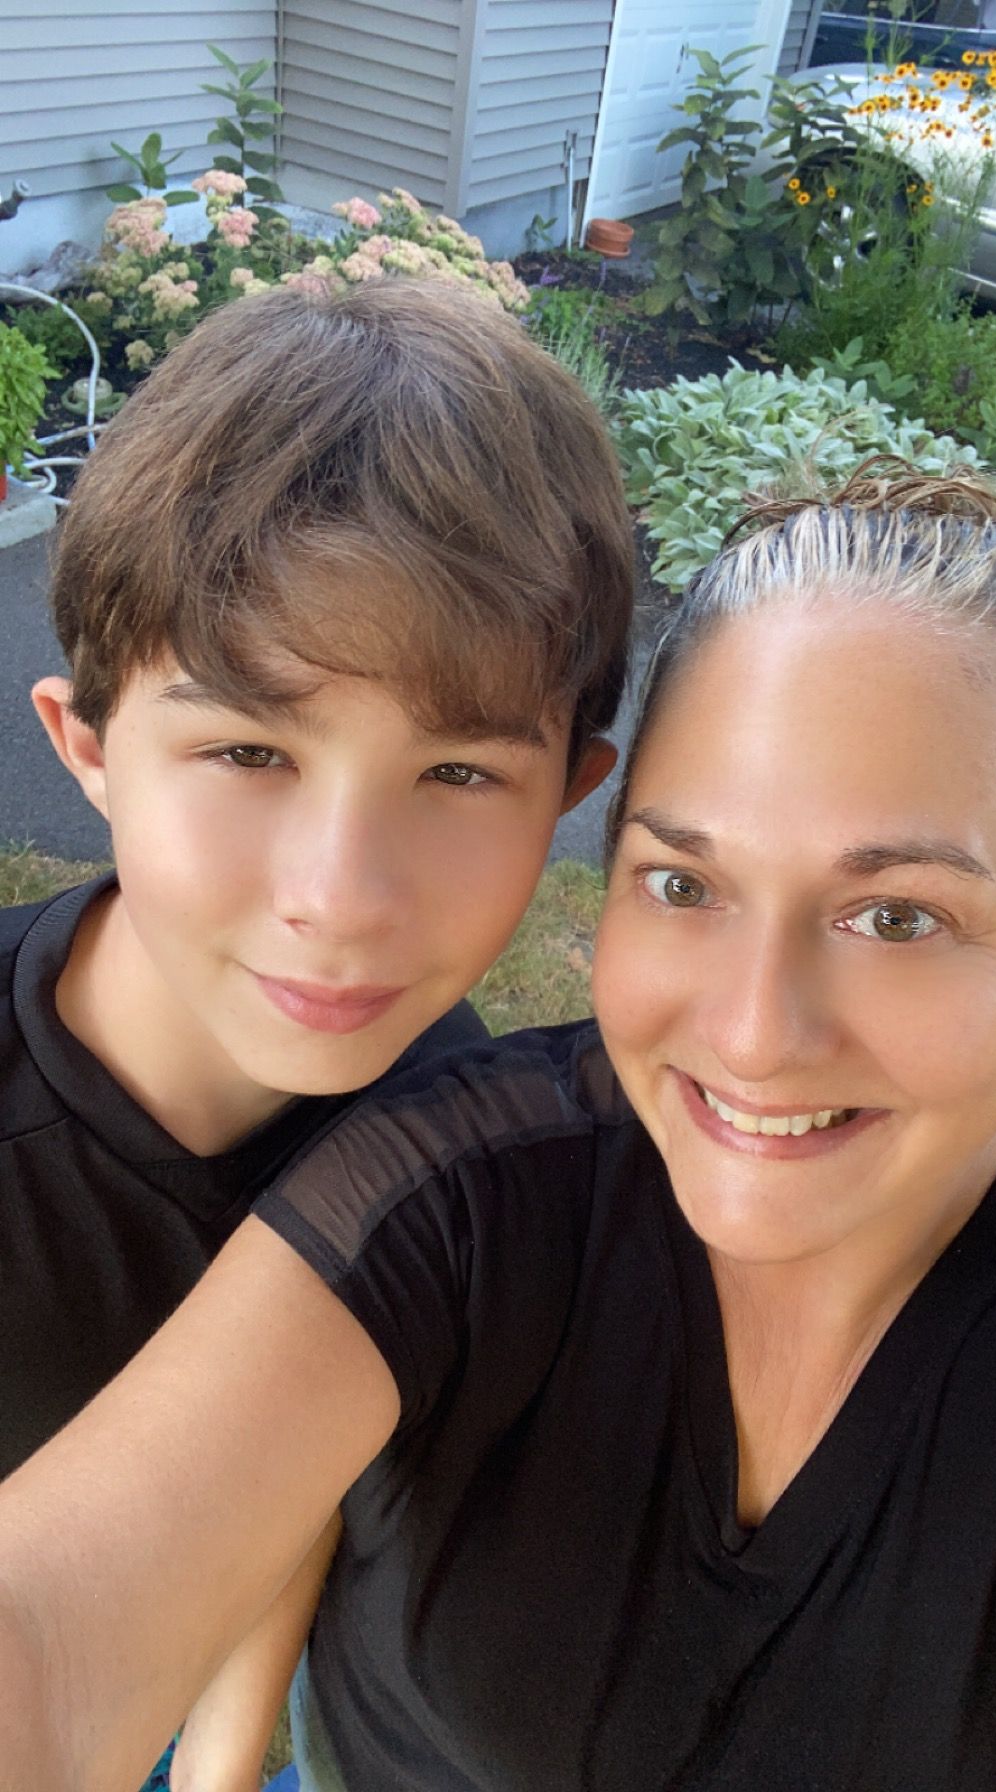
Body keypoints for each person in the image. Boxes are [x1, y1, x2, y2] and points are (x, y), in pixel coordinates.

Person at [5, 461, 996, 1792]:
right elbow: (49, 1640)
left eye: (898, 918)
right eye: (683, 883)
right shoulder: (460, 1182)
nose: (755, 1033)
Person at [0, 277, 630, 1792]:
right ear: (88, 746)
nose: (341, 901)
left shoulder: (462, 1154)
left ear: (569, 795)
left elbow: (295, 1509)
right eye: (247, 750)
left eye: (459, 775)